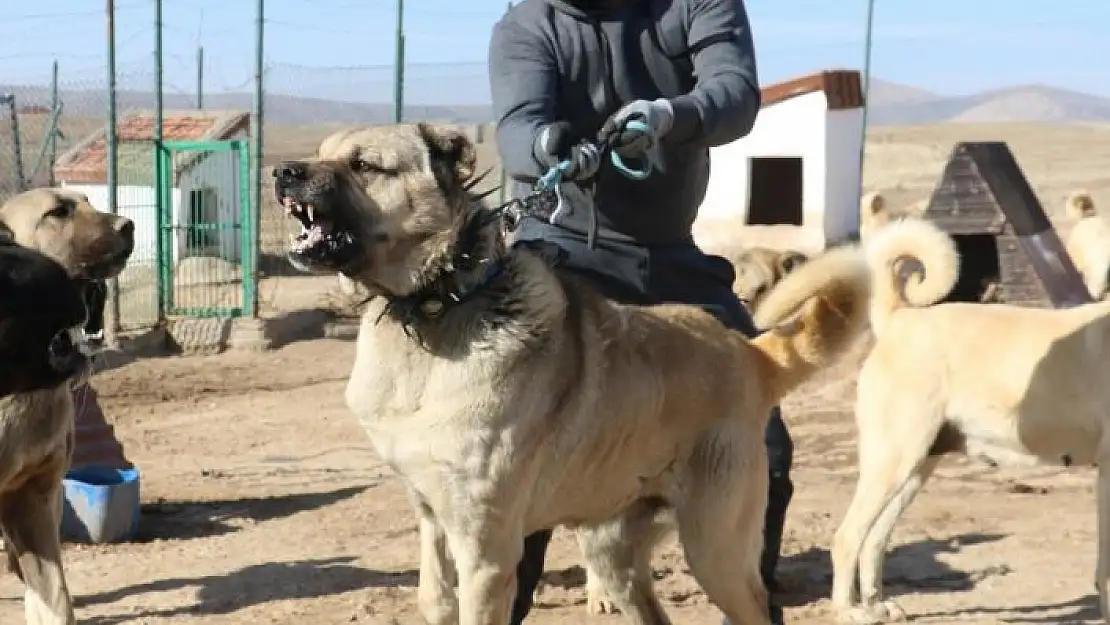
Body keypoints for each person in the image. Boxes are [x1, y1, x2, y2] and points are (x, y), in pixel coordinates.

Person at [487, 0, 793, 624]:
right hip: (564, 257)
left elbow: (734, 93)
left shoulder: (697, 5)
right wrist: (553, 146)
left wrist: (670, 116)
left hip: (673, 258)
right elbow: (519, 129)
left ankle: (753, 596)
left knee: (766, 443)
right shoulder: (528, 25)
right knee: (524, 460)